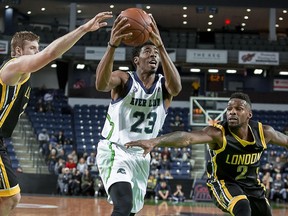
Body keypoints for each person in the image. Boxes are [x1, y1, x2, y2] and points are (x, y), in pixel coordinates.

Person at [0, 11, 112, 215]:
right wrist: (84, 28)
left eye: (37, 48)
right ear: (17, 50)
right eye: (32, 49)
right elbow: (50, 54)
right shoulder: (14, 67)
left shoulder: (23, 76)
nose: (37, 52)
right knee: (10, 198)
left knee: (9, 198)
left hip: (1, 139)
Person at [126, 92, 288, 216]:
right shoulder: (217, 133)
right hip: (223, 183)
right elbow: (187, 138)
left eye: (238, 109)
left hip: (252, 186)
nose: (232, 112)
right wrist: (155, 141)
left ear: (249, 114)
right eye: (229, 109)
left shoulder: (264, 132)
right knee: (242, 205)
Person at [95, 12, 182, 216]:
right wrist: (112, 46)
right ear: (136, 59)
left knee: (131, 211)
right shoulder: (124, 79)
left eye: (156, 53)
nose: (154, 55)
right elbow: (100, 84)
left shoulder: (164, 86)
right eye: (148, 51)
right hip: (115, 150)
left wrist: (161, 45)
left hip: (142, 156)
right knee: (123, 205)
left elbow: (177, 87)